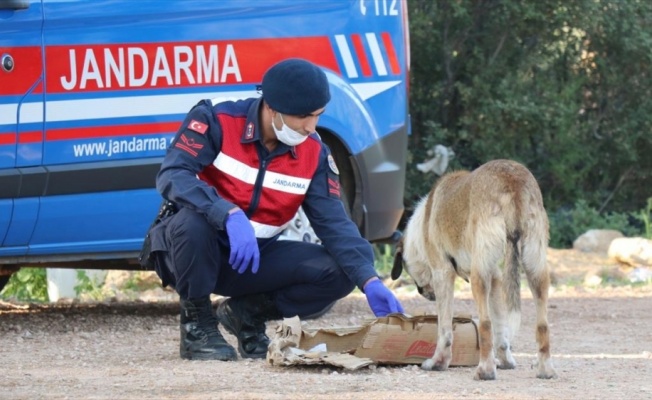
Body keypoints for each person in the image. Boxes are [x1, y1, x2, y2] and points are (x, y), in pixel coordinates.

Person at [145, 58, 404, 361]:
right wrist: (225, 212)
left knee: (340, 271)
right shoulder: (216, 119)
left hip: (248, 258)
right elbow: (173, 174)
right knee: (193, 222)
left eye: (317, 116)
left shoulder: (315, 153)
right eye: (303, 116)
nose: (311, 127)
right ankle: (197, 327)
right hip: (188, 252)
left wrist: (368, 279)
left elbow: (335, 224)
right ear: (271, 107)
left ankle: (246, 314)